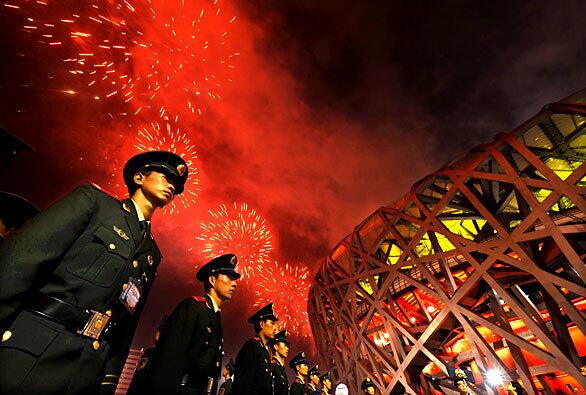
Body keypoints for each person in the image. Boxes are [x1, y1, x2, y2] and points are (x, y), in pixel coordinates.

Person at [0, 151, 188, 394]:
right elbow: (20, 261)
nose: (172, 185)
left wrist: (108, 377)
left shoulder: (152, 253)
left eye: (176, 185)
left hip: (87, 369)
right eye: (166, 176)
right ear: (139, 177)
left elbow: (126, 324)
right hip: (35, 350)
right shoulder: (94, 204)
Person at [128, 253, 240, 394]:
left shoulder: (215, 317)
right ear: (212, 279)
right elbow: (169, 360)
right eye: (229, 278)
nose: (234, 283)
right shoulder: (192, 307)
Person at [231, 302, 279, 395]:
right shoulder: (252, 346)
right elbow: (243, 383)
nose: (275, 328)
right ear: (262, 324)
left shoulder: (265, 350)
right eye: (272, 323)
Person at [270, 329, 290, 395]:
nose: (287, 348)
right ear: (276, 346)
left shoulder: (281, 368)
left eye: (287, 346)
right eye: (284, 345)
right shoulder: (272, 367)